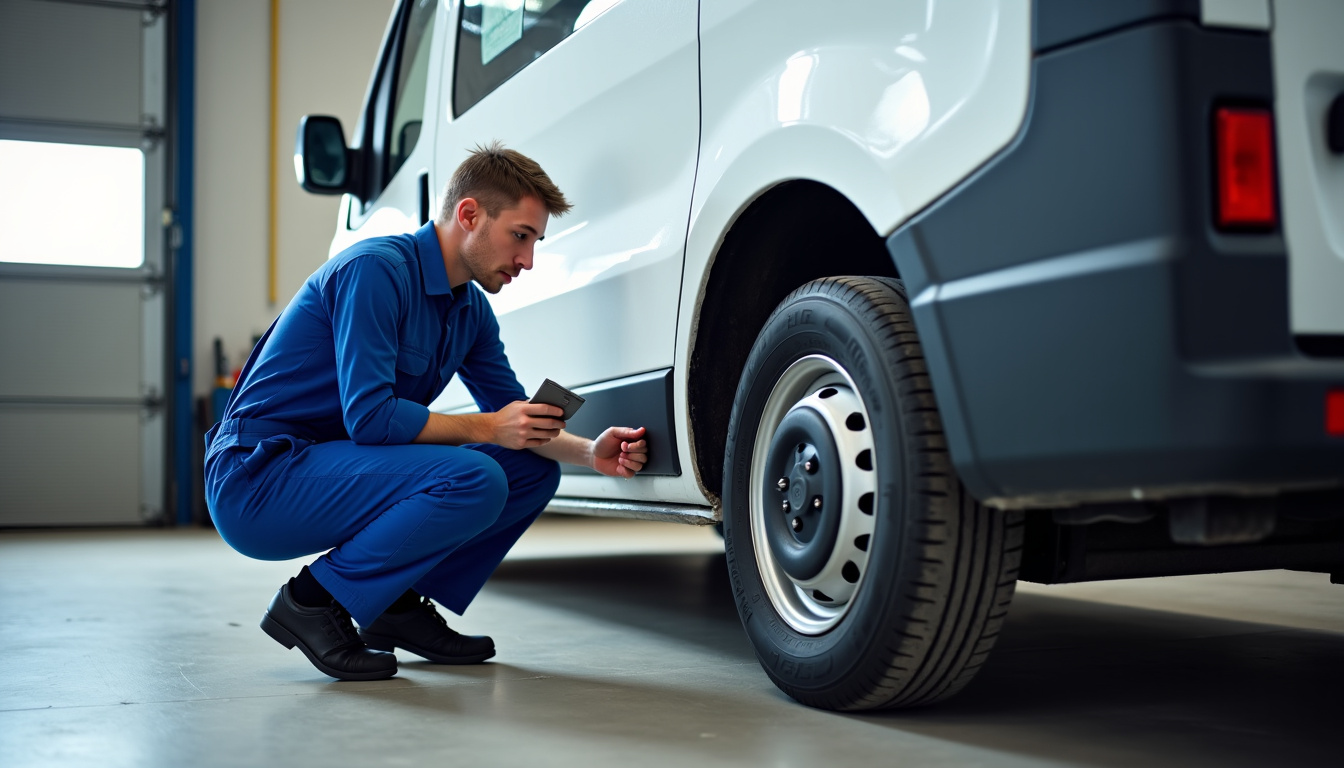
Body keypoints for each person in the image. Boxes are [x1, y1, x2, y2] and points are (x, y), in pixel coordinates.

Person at [204, 142, 648, 681]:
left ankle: (394, 604)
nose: (528, 260)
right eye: (521, 236)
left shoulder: (471, 311)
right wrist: (489, 428)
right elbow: (371, 420)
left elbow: (513, 416)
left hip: (333, 464)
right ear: (469, 215)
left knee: (530, 470)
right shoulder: (376, 272)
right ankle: (311, 601)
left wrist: (588, 451)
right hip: (260, 477)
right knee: (475, 476)